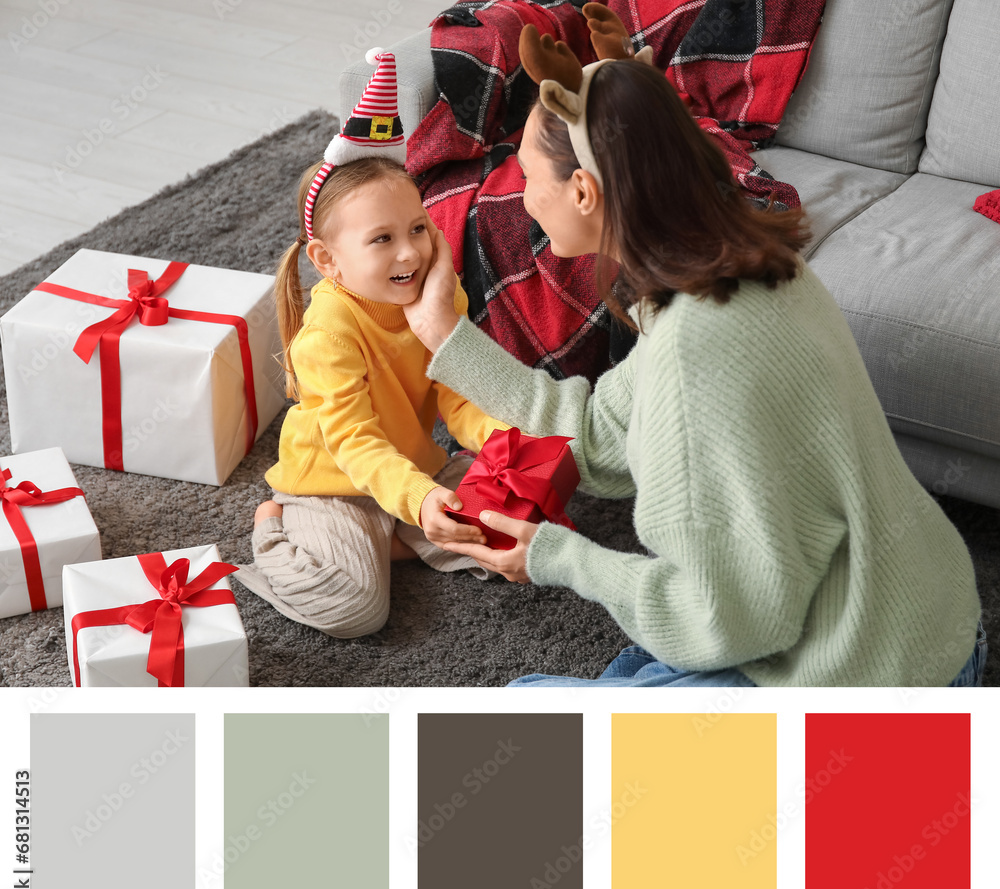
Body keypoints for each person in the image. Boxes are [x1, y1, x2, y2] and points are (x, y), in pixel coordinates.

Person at [399, 13, 987, 686]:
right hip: (930, 626)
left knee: (524, 709)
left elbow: (726, 619)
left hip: (868, 683)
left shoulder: (693, 351)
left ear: (584, 192)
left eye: (529, 175)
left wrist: (557, 558)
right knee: (628, 678)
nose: (522, 196)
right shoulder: (746, 269)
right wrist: (445, 334)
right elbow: (600, 436)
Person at [235, 49, 506, 637]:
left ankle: (392, 539)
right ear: (328, 261)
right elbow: (355, 444)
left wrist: (500, 441)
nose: (409, 253)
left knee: (512, 535)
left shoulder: (435, 296)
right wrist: (419, 498)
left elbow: (456, 394)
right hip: (335, 484)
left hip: (408, 467)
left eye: (416, 229)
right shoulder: (329, 332)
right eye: (381, 239)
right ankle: (274, 527)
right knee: (353, 611)